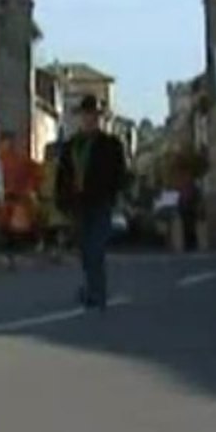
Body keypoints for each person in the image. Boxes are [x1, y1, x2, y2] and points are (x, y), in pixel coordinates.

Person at [55, 95, 127, 310]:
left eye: (94, 116)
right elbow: (63, 175)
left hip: (101, 201)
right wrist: (62, 200)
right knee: (85, 250)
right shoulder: (71, 146)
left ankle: (97, 293)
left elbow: (120, 173)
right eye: (86, 116)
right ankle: (90, 288)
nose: (89, 120)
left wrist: (114, 194)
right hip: (78, 204)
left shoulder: (111, 145)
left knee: (96, 248)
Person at [0, 130, 40, 270]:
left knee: (16, 229)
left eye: (10, 141)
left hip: (18, 199)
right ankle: (10, 255)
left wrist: (30, 188)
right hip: (2, 198)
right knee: (4, 227)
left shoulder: (22, 159)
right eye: (5, 141)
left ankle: (13, 255)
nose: (8, 144)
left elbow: (37, 173)